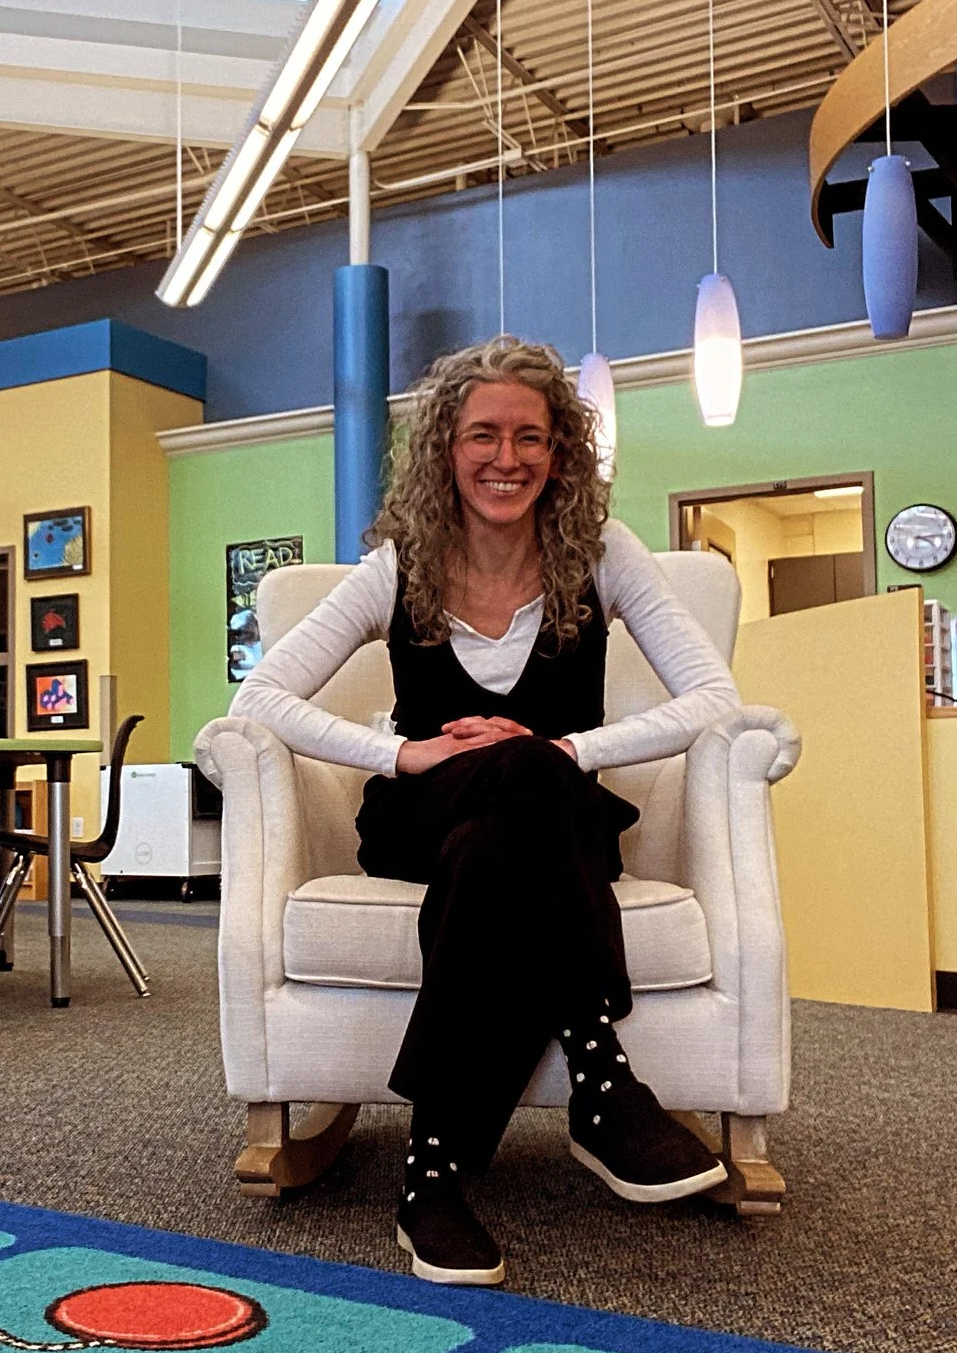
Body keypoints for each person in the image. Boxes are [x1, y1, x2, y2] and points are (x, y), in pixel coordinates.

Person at [234, 337, 743, 1286]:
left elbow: (714, 699)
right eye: (482, 435)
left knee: (506, 833)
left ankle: (431, 1173)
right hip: (418, 814)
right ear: (444, 449)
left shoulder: (601, 556)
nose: (505, 458)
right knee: (507, 801)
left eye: (530, 437)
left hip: (543, 825)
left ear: (561, 454)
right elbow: (258, 701)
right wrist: (404, 751)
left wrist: (567, 750)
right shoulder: (397, 566)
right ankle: (602, 1080)